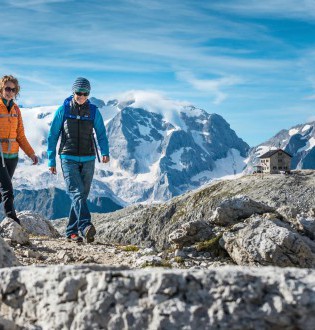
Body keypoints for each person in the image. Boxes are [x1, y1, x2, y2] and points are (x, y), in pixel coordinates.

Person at [47, 77, 110, 243]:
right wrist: (51, 160)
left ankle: (71, 232)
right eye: (78, 92)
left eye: (85, 93)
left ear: (89, 94)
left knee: (82, 195)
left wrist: (105, 151)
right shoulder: (63, 110)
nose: (81, 96)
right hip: (68, 157)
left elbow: (101, 134)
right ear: (72, 92)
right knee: (76, 192)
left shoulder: (94, 111)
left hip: (89, 158)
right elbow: (53, 135)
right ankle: (85, 225)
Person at [0, 75, 38, 224]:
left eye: (13, 89)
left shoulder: (16, 109)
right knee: (8, 188)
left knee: (2, 189)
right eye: (7, 88)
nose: (10, 92)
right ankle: (12, 218)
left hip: (12, 156)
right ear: (1, 89)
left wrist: (31, 153)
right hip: (0, 153)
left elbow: (20, 135)